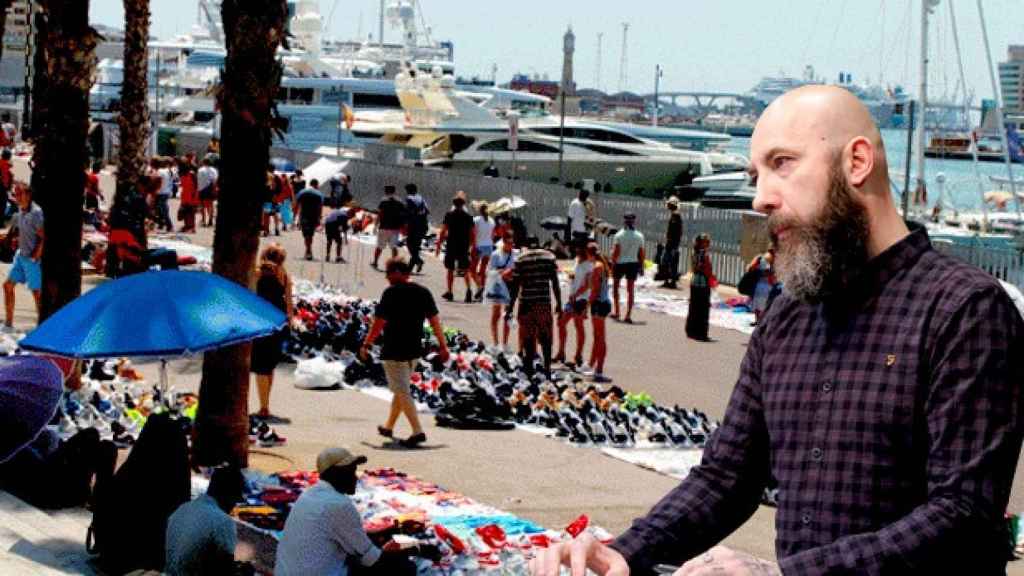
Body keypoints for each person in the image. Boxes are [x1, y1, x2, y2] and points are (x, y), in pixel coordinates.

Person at [530, 85, 1024, 576]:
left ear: (856, 162)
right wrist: (625, 551)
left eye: (782, 163)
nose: (761, 197)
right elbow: (728, 476)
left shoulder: (966, 309)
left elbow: (963, 514)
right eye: (755, 175)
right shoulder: (789, 314)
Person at [275, 447, 418, 576]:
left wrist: (388, 530)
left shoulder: (310, 494)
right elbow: (373, 560)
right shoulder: (339, 505)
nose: (355, 478)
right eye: (350, 472)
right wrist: (411, 549)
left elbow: (348, 535)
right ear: (335, 474)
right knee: (405, 568)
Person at [360, 258, 450, 447]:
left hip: (394, 349)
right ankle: (389, 426)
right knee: (401, 390)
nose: (387, 277)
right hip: (414, 349)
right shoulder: (423, 292)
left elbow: (379, 323)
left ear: (398, 273)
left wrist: (366, 344)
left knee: (401, 390)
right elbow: (434, 321)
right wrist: (443, 346)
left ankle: (417, 431)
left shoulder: (391, 293)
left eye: (389, 273)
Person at [164, 466, 245, 576]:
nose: (233, 506)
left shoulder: (184, 508)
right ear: (229, 495)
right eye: (234, 500)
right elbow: (226, 567)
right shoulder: (222, 521)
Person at [250, 244, 293, 424]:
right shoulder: (284, 276)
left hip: (260, 321)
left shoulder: (257, 273)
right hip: (277, 321)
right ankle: (265, 403)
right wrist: (288, 324)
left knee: (260, 365)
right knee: (269, 366)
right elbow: (289, 304)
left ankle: (264, 407)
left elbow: (250, 295)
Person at [507, 238, 561, 377]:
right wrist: (559, 303)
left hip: (526, 304)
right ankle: (547, 367)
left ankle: (529, 368)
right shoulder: (549, 257)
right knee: (546, 337)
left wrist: (510, 307)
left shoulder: (521, 259)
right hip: (544, 303)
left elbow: (515, 286)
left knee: (528, 337)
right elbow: (555, 282)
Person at [4, 184, 43, 328]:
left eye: (20, 194)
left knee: (36, 293)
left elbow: (43, 237)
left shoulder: (36, 213)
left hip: (32, 260)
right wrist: (16, 241)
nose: (17, 197)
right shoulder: (21, 210)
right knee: (8, 286)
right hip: (21, 256)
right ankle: (8, 324)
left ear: (28, 195)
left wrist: (36, 256)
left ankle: (43, 327)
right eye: (16, 194)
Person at [553, 244, 590, 369]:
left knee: (578, 325)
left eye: (579, 248)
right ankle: (561, 352)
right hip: (572, 297)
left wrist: (576, 294)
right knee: (561, 322)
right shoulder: (577, 261)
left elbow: (587, 284)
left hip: (581, 299)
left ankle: (578, 355)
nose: (577, 250)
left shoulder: (588, 265)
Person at [436, 192, 475, 303]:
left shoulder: (449, 215)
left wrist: (439, 244)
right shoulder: (468, 217)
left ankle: (450, 291)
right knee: (465, 269)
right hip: (463, 245)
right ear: (463, 204)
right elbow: (473, 233)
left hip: (452, 244)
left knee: (450, 269)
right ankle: (468, 290)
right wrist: (471, 246)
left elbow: (443, 231)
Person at [585, 241, 613, 382]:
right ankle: (595, 367)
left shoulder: (597, 267)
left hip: (599, 304)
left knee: (600, 338)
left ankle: (599, 369)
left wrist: (586, 305)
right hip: (604, 302)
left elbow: (595, 290)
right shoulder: (603, 265)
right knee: (597, 337)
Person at [484, 229, 516, 351]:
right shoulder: (496, 254)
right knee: (496, 315)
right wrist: (502, 272)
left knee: (508, 315)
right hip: (498, 286)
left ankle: (505, 343)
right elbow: (489, 271)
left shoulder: (515, 254)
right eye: (508, 242)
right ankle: (495, 342)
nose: (510, 245)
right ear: (504, 242)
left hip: (510, 286)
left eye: (512, 243)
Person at [610, 212, 645, 323]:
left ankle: (617, 312)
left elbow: (616, 252)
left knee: (616, 287)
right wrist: (641, 266)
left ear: (624, 220)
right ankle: (628, 315)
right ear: (634, 221)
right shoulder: (639, 236)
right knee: (630, 290)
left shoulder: (619, 235)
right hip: (633, 263)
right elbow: (641, 253)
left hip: (620, 263)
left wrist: (612, 263)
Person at [685, 233, 713, 342]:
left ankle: (691, 330)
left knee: (694, 306)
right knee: (703, 308)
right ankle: (701, 332)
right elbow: (706, 269)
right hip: (702, 282)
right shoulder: (704, 254)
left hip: (694, 280)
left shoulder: (694, 253)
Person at [371, 185, 405, 270]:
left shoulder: (384, 201)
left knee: (379, 246)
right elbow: (403, 215)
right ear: (394, 191)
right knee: (393, 247)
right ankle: (395, 265)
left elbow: (380, 214)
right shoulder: (400, 202)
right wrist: (402, 226)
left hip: (384, 227)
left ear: (386, 191)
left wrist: (375, 225)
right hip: (395, 228)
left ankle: (375, 262)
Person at [470, 201, 496, 301]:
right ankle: (481, 293)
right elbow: (493, 235)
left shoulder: (476, 220)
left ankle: (480, 286)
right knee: (483, 270)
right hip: (488, 246)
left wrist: (472, 245)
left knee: (472, 270)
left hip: (478, 246)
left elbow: (473, 234)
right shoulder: (492, 221)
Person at [747, 244, 777, 325]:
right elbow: (772, 274)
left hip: (759, 285)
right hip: (768, 286)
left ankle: (758, 320)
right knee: (766, 304)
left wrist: (757, 271)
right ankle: (762, 321)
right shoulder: (774, 260)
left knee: (757, 304)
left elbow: (750, 268)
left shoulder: (760, 258)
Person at [295, 179, 324, 260]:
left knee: (306, 235)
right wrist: (319, 217)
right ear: (316, 185)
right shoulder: (319, 194)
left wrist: (294, 217)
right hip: (313, 217)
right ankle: (308, 250)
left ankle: (308, 251)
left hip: (303, 216)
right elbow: (320, 207)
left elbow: (296, 204)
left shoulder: (302, 192)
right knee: (310, 235)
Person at [404, 183, 429, 273]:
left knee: (410, 244)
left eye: (407, 191)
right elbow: (427, 211)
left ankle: (418, 261)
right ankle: (412, 266)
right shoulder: (421, 198)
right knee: (416, 246)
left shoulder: (409, 198)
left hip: (414, 226)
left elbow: (407, 213)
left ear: (409, 191)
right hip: (423, 225)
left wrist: (406, 223)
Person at [660, 196, 683, 288]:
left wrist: (675, 245)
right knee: (667, 261)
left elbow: (678, 232)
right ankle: (668, 280)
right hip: (671, 242)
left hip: (673, 243)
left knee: (669, 261)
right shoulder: (674, 215)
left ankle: (671, 281)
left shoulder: (676, 216)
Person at [154, 157, 174, 231]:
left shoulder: (160, 171)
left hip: (161, 192)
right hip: (166, 191)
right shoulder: (168, 171)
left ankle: (169, 225)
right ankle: (161, 224)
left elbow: (159, 181)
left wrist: (155, 190)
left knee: (163, 209)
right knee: (161, 209)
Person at [177, 162, 198, 233]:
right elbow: (183, 184)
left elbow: (196, 185)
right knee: (184, 212)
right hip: (184, 196)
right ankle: (186, 226)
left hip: (192, 196)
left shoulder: (192, 174)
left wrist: (194, 196)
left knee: (191, 213)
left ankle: (192, 227)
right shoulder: (182, 175)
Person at [197, 157, 218, 227]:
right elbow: (215, 181)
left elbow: (198, 181)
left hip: (202, 190)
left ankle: (203, 220)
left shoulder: (200, 170)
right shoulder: (214, 170)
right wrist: (214, 190)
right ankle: (210, 220)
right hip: (210, 189)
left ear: (203, 162)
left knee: (202, 206)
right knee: (210, 205)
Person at [263, 166, 282, 236]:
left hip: (267, 198)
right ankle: (276, 229)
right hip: (273, 198)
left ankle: (266, 230)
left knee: (266, 214)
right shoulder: (276, 177)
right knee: (274, 214)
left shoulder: (269, 176)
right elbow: (279, 189)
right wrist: (276, 195)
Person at [0, 149, 13, 224]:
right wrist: (7, 188)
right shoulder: (5, 165)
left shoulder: (2, 162)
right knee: (2, 205)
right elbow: (5, 179)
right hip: (2, 188)